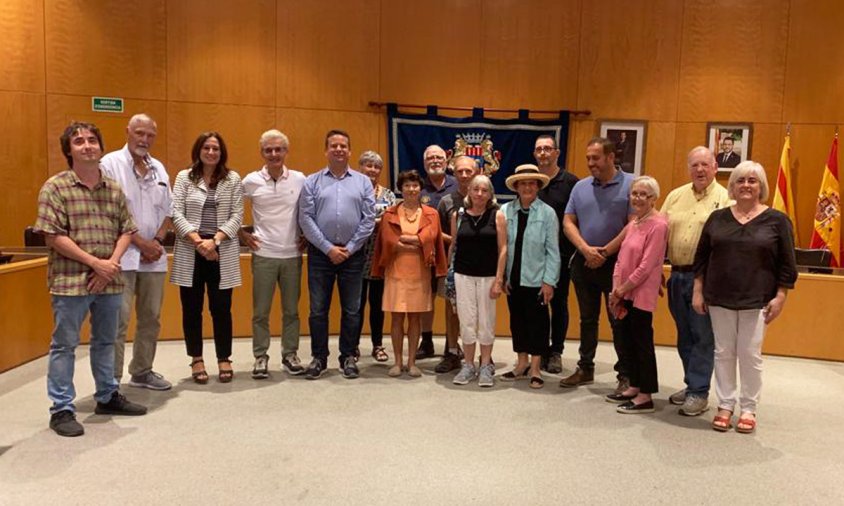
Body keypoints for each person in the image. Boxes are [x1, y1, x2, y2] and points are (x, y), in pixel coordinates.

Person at [34, 121, 147, 437]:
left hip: (109, 279)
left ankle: (107, 396)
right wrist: (95, 263)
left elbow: (127, 229)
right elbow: (53, 235)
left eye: (93, 140)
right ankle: (62, 409)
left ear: (100, 146)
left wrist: (109, 264)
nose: (87, 145)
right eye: (79, 141)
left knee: (106, 341)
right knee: (64, 345)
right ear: (68, 150)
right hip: (70, 282)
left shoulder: (113, 188)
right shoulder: (55, 187)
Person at [693, 161, 797, 434]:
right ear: (732, 186)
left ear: (761, 186)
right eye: (740, 180)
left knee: (749, 355)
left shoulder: (777, 220)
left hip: (757, 299)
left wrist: (781, 295)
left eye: (752, 180)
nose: (746, 185)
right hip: (719, 296)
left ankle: (748, 408)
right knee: (723, 352)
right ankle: (725, 405)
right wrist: (698, 290)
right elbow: (701, 257)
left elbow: (787, 263)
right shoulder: (718, 218)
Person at [100, 113, 173, 391]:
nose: (144, 139)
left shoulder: (159, 168)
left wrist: (156, 241)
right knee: (118, 320)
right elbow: (109, 212)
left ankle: (142, 371)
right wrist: (140, 243)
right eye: (139, 133)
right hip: (122, 257)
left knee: (151, 318)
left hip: (153, 259)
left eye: (150, 135)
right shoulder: (110, 164)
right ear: (128, 132)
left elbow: (169, 210)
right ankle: (111, 381)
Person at [299, 130, 375, 380]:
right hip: (321, 254)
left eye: (344, 145)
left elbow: (368, 219)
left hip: (353, 255)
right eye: (334, 145)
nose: (339, 149)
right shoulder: (312, 181)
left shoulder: (363, 182)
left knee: (352, 310)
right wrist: (327, 247)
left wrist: (350, 247)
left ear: (350, 151)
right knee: (318, 310)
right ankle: (319, 357)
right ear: (326, 150)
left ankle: (348, 357)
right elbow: (306, 218)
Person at [661, 146, 731, 416]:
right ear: (688, 168)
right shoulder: (675, 196)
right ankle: (692, 383)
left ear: (715, 167)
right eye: (694, 165)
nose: (700, 170)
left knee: (703, 336)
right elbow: (659, 234)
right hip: (676, 275)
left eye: (705, 164)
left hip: (705, 278)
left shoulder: (726, 199)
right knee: (684, 335)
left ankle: (699, 392)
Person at [560, 137, 633, 393]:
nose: (591, 163)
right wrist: (585, 249)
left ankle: (625, 373)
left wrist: (605, 251)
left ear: (611, 157)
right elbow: (568, 221)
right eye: (588, 158)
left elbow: (634, 224)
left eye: (596, 158)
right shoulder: (580, 187)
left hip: (617, 264)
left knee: (618, 320)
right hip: (584, 260)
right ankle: (585, 368)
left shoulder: (632, 184)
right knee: (587, 319)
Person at [171, 132, 243, 384]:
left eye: (216, 148)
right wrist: (198, 241)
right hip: (191, 249)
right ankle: (197, 359)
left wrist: (215, 241)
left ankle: (224, 357)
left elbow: (237, 215)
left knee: (221, 309)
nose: (211, 152)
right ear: (198, 150)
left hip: (221, 250)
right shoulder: (184, 177)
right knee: (191, 309)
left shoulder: (232, 179)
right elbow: (175, 212)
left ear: (221, 153)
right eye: (207, 148)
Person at [240, 129, 306, 379]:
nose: (274, 154)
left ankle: (290, 354)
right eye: (269, 150)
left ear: (286, 151)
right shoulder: (250, 181)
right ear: (262, 153)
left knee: (291, 311)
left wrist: (307, 236)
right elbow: (231, 209)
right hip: (264, 254)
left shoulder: (300, 179)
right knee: (261, 311)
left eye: (279, 149)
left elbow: (310, 211)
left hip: (292, 255)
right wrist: (242, 235)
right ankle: (260, 357)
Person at [371, 170, 447, 377]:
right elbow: (387, 240)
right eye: (407, 186)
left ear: (420, 188)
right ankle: (397, 362)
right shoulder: (389, 214)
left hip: (420, 273)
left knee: (415, 319)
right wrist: (418, 241)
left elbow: (432, 237)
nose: (411, 189)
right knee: (396, 319)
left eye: (415, 185)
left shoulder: (431, 214)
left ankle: (412, 362)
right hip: (395, 272)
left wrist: (411, 240)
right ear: (401, 189)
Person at [607, 176, 668, 414]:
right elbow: (621, 260)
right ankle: (633, 385)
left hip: (640, 294)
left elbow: (647, 265)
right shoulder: (633, 223)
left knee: (642, 343)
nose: (638, 198)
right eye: (635, 194)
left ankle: (645, 395)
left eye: (644, 194)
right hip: (623, 293)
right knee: (627, 340)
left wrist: (623, 289)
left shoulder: (658, 225)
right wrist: (616, 289)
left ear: (653, 198)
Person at [500, 164, 560, 389]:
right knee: (517, 322)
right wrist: (503, 276)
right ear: (516, 187)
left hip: (536, 280)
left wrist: (549, 281)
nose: (527, 187)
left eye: (531, 183)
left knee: (538, 324)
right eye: (522, 183)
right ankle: (521, 363)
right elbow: (502, 247)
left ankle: (535, 367)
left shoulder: (547, 213)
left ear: (537, 186)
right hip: (513, 279)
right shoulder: (505, 211)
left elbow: (553, 250)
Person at [450, 175, 507, 387]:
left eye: (484, 190)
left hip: (488, 276)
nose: (479, 194)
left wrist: (499, 279)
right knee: (466, 321)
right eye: (476, 189)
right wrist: (449, 272)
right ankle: (468, 365)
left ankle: (485, 366)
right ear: (469, 192)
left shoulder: (497, 215)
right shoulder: (459, 215)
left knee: (486, 322)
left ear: (490, 194)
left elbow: (503, 249)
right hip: (463, 275)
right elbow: (454, 245)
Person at [534, 134, 580, 374]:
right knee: (538, 305)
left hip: (562, 257)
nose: (543, 153)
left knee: (559, 304)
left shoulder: (572, 183)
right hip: (534, 258)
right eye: (539, 149)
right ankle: (539, 349)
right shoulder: (532, 182)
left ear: (557, 153)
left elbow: (578, 219)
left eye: (547, 149)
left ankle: (556, 351)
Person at [432, 155, 480, 373]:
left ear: (477, 173)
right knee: (452, 310)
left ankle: (477, 356)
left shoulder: (486, 199)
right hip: (454, 264)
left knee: (477, 312)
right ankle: (451, 351)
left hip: (480, 266)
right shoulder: (447, 202)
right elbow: (437, 232)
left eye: (468, 171)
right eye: (459, 171)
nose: (463, 175)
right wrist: (459, 239)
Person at [355, 150, 396, 363]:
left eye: (376, 166)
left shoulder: (388, 195)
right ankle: (353, 345)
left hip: (379, 257)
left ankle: (378, 345)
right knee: (356, 305)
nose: (372, 170)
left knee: (377, 304)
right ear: (360, 167)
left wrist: (371, 222)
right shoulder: (351, 190)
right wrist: (375, 222)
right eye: (368, 165)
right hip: (356, 256)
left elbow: (392, 221)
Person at [417, 144, 457, 359]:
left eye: (438, 157)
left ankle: (451, 345)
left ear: (446, 160)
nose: (435, 161)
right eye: (430, 158)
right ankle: (427, 341)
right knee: (427, 297)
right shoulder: (418, 188)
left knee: (452, 300)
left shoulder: (458, 185)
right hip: (426, 255)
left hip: (453, 254)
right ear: (425, 163)